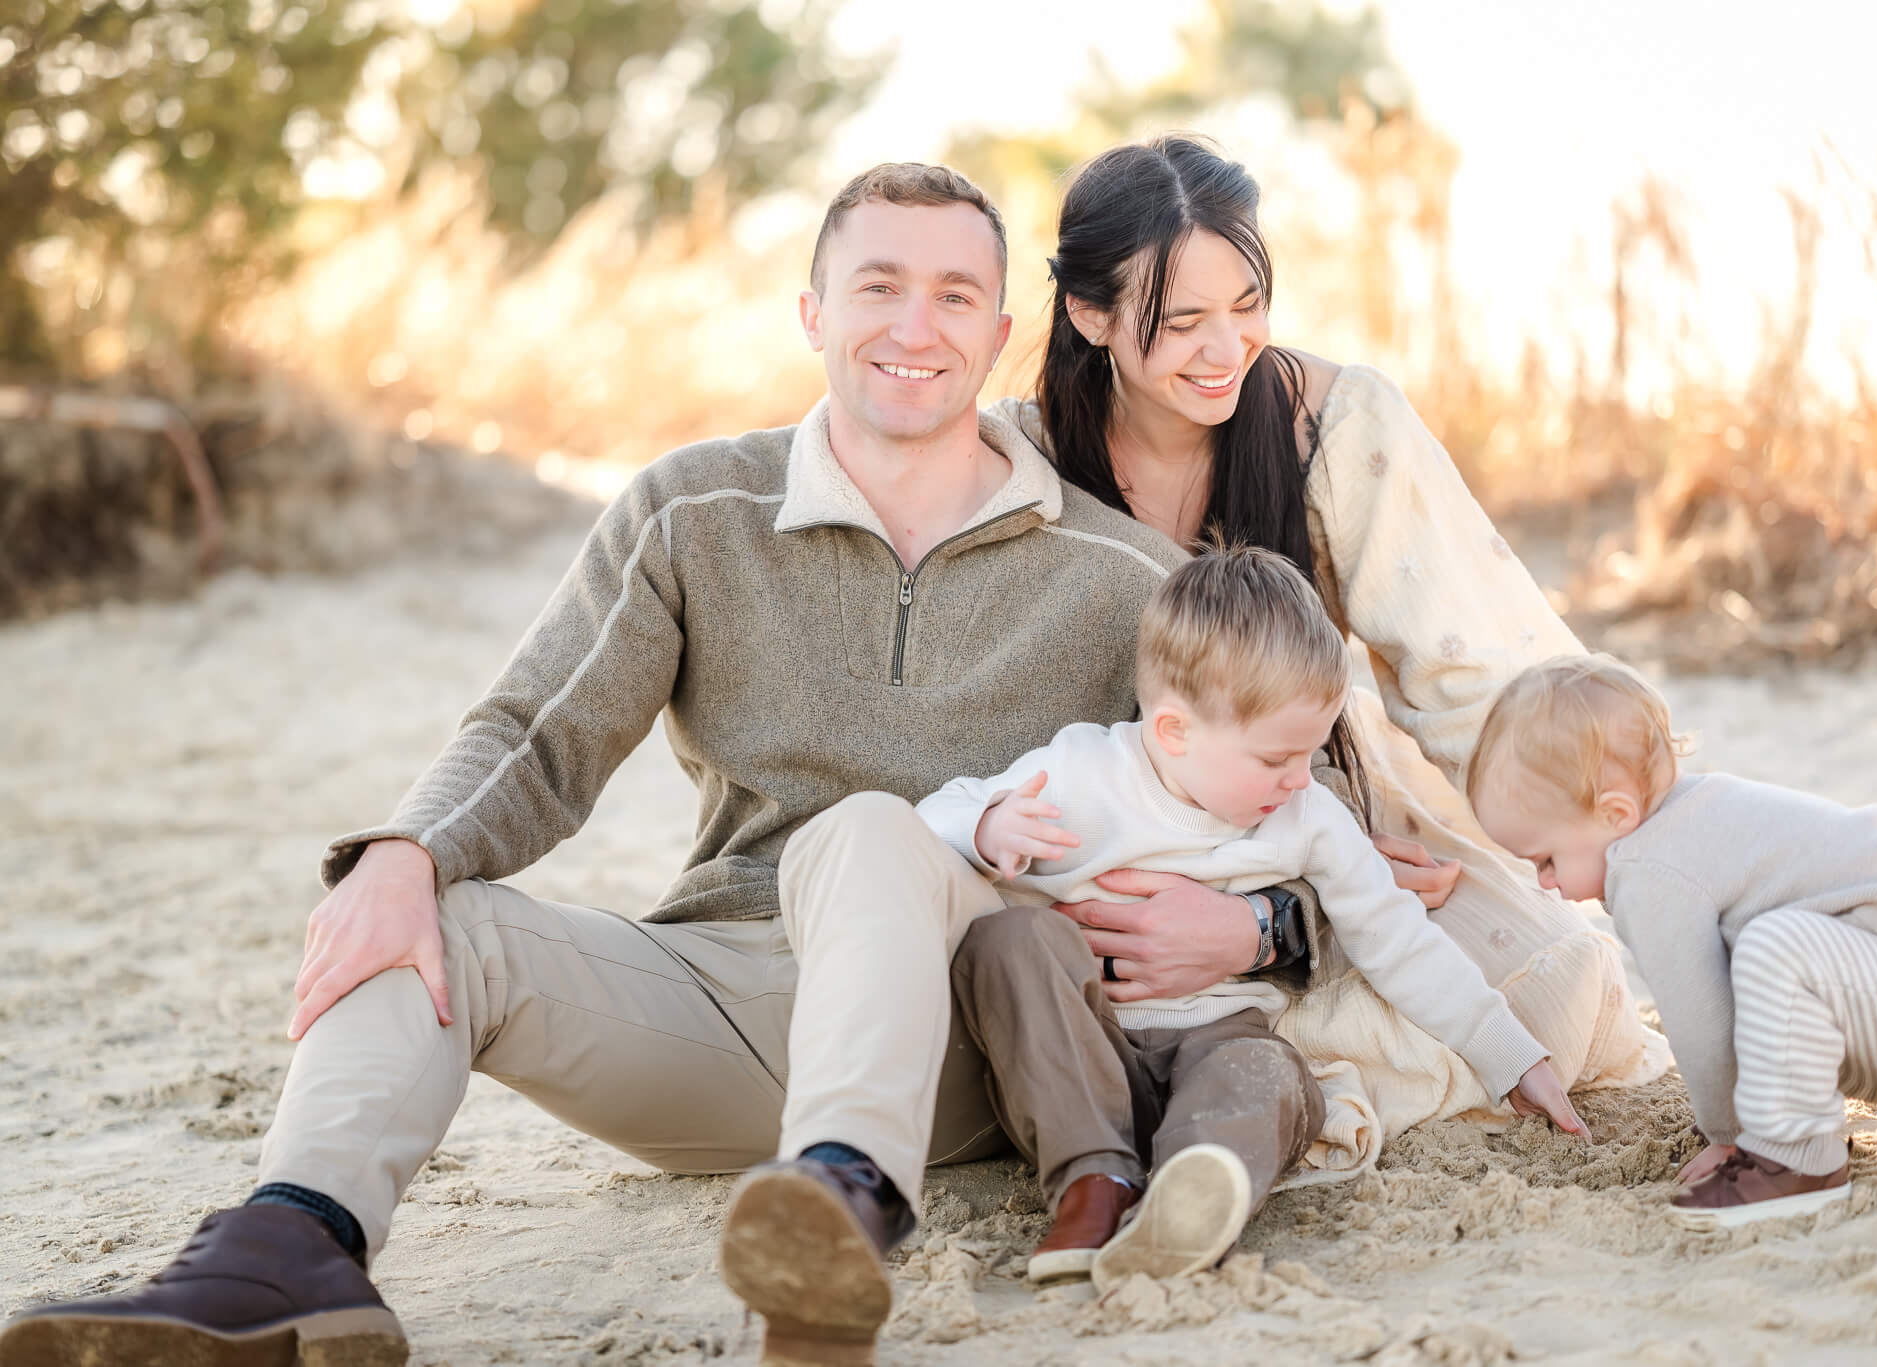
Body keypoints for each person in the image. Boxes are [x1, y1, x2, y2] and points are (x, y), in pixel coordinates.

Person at [0, 163, 1287, 1367]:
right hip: (724, 999)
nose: (915, 324)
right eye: (878, 286)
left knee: (871, 829)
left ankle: (837, 1209)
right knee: (432, 910)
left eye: (954, 293)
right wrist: (403, 849)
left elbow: (1292, 783)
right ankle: (290, 1249)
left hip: (969, 1040)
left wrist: (1258, 921)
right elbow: (535, 733)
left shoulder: (1119, 574)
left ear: (1000, 330)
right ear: (812, 311)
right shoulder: (693, 510)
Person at [988, 135, 1667, 1123]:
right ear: (1090, 314)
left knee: (1556, 987)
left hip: (1305, 819)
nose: (1226, 352)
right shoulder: (1017, 459)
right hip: (1112, 837)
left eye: (1247, 305)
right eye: (1180, 323)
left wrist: (1301, 905)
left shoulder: (1334, 420)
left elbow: (1471, 662)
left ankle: (1246, 1037)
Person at [929, 546, 1585, 1286]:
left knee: (1272, 1074)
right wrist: (985, 826)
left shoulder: (1308, 816)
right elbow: (930, 819)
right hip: (1081, 1049)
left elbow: (1398, 938)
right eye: (1278, 756)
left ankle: (1190, 1195)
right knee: (1008, 940)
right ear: (1174, 731)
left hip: (1218, 1038)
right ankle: (1094, 1183)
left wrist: (1510, 1053)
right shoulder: (1080, 776)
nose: (1302, 778)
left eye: (1311, 751)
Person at [1466, 654, 1877, 1226]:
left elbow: (1701, 1018)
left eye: (1547, 859)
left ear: (1616, 813)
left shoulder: (1648, 870)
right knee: (1771, 948)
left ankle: (1798, 1165)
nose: (1543, 882)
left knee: (1775, 946)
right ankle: (1794, 1131)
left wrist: (1730, 1135)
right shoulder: (1692, 818)